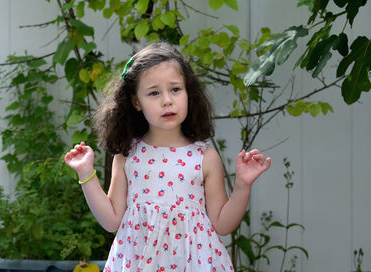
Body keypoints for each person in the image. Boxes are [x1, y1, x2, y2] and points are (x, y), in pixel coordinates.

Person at [64, 42, 271, 271]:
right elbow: (111, 220)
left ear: (188, 93)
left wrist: (242, 185)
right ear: (136, 102)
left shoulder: (205, 157)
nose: (167, 100)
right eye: (154, 92)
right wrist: (86, 173)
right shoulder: (128, 155)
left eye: (175, 89)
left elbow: (223, 224)